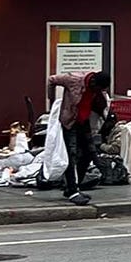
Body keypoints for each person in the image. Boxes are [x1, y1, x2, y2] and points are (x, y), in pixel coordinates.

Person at [46, 71, 111, 205]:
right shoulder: (73, 79)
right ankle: (73, 190)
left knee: (88, 154)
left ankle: (73, 186)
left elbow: (100, 104)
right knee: (71, 154)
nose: (98, 91)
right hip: (69, 121)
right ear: (93, 82)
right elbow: (51, 80)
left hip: (84, 121)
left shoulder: (98, 89)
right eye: (97, 89)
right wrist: (52, 101)